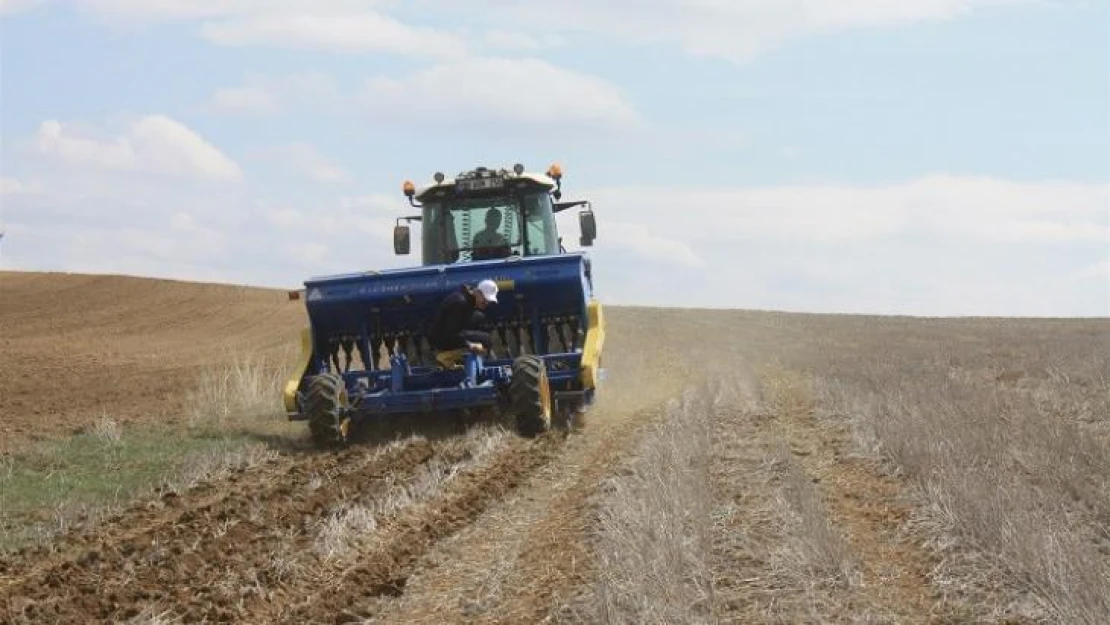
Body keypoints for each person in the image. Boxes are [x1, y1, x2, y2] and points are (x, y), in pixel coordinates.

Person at [427, 279, 500, 356]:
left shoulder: (468, 299)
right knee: (486, 339)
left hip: (451, 332)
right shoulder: (459, 304)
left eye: (488, 301)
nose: (486, 303)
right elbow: (451, 334)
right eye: (485, 299)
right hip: (442, 340)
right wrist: (469, 345)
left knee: (480, 317)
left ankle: (483, 355)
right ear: (477, 292)